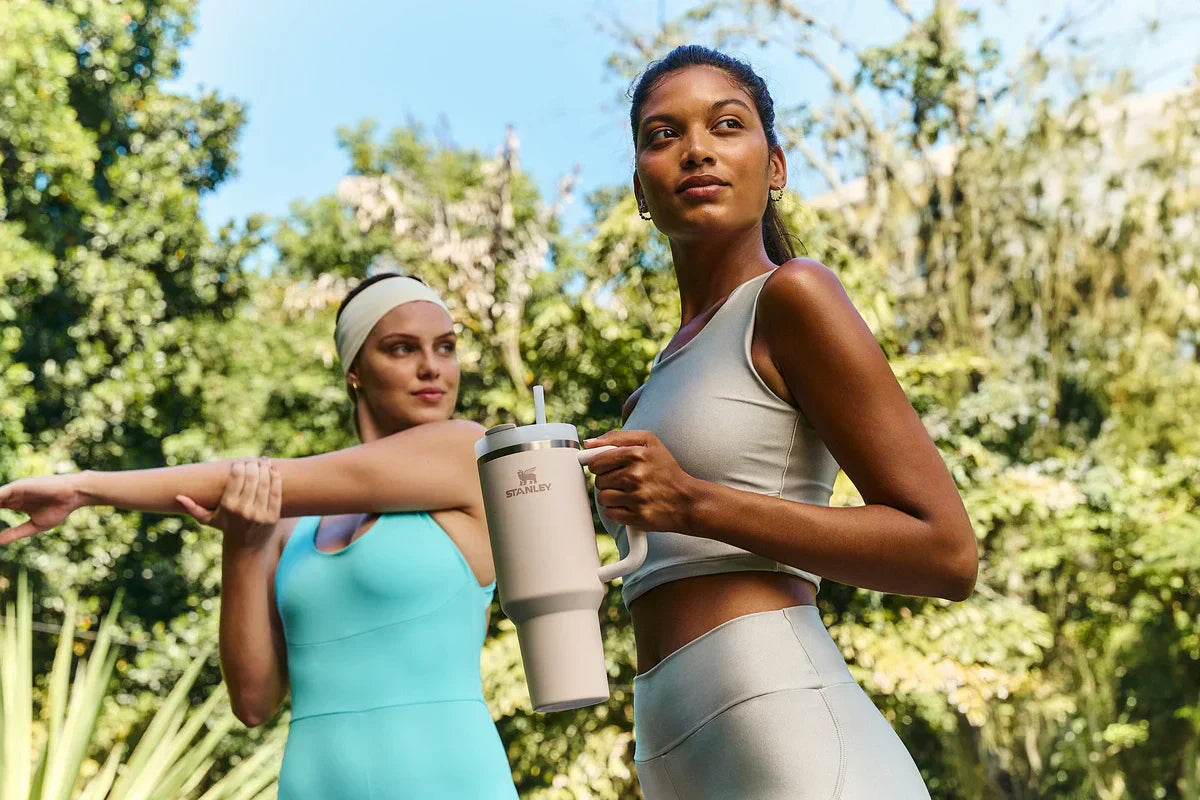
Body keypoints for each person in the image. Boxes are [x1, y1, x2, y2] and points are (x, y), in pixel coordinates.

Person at [582, 45, 979, 799]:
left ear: (775, 168)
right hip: (671, 748)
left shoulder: (794, 297)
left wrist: (694, 501)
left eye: (725, 125)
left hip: (790, 734)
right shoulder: (648, 393)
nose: (695, 148)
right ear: (641, 187)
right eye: (663, 135)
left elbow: (947, 553)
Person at [0, 274, 519, 800]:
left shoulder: (468, 452)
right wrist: (243, 545)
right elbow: (253, 704)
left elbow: (248, 477)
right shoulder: (291, 525)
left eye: (446, 347)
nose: (432, 367)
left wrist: (82, 488)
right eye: (402, 348)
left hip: (450, 780)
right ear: (355, 371)